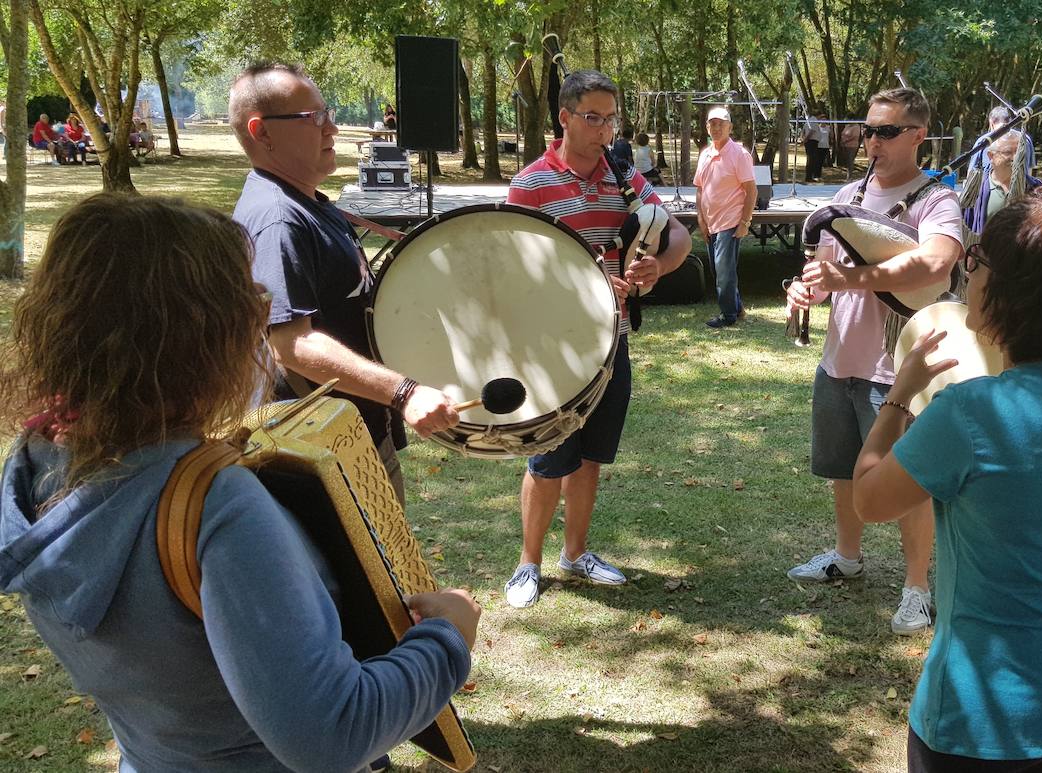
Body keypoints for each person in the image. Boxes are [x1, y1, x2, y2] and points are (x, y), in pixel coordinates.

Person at [0, 193, 481, 772]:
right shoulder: (215, 505)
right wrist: (447, 637)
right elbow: (330, 736)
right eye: (248, 301)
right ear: (197, 337)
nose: (261, 315)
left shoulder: (37, 456)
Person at [852, 198, 1042, 771]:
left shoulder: (970, 414)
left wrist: (899, 394)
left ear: (1013, 293)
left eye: (976, 260)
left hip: (986, 715)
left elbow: (869, 498)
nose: (966, 272)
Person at [228, 62, 464, 503]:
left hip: (350, 433)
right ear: (262, 133)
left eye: (328, 113)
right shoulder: (279, 220)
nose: (332, 128)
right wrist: (404, 391)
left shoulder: (306, 203)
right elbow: (291, 344)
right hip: (321, 453)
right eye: (314, 118)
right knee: (369, 570)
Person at [503, 69, 691, 608]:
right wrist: (584, 282)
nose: (604, 129)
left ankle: (575, 553)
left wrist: (661, 265)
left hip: (613, 341)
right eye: (592, 118)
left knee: (591, 458)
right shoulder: (532, 184)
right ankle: (528, 563)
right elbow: (516, 271)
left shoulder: (624, 174)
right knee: (547, 458)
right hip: (552, 348)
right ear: (563, 117)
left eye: (611, 118)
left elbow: (674, 228)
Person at [785, 88, 963, 635]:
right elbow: (825, 271)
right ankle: (847, 556)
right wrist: (804, 290)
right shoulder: (849, 193)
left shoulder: (937, 201)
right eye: (868, 130)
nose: (872, 141)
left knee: (910, 481)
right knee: (843, 469)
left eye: (886, 131)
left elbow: (936, 261)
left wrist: (852, 278)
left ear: (917, 136)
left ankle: (917, 589)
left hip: (899, 370)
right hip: (840, 358)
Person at [695, 105, 757, 329]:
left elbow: (751, 191)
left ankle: (728, 315)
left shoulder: (739, 154)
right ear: (707, 127)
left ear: (730, 127)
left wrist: (745, 222)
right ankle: (737, 307)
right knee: (719, 269)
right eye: (712, 123)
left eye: (721, 123)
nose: (716, 127)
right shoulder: (705, 154)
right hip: (711, 222)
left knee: (723, 271)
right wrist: (701, 219)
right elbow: (700, 189)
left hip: (730, 222)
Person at [962, 130, 1042, 237]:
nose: (1016, 158)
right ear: (991, 156)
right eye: (1008, 152)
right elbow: (964, 226)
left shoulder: (1036, 189)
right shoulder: (976, 188)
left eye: (1020, 152)